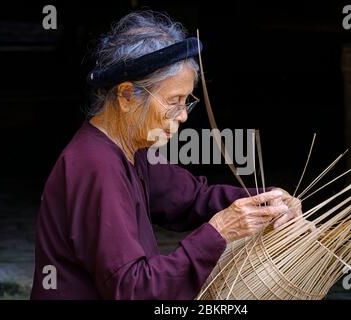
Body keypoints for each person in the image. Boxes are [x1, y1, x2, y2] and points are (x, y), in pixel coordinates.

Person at [31, 11, 301, 300]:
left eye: (187, 101)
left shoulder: (133, 149)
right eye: (174, 101)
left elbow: (192, 199)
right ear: (126, 96)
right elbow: (132, 288)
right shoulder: (95, 166)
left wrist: (264, 200)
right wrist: (218, 232)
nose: (183, 115)